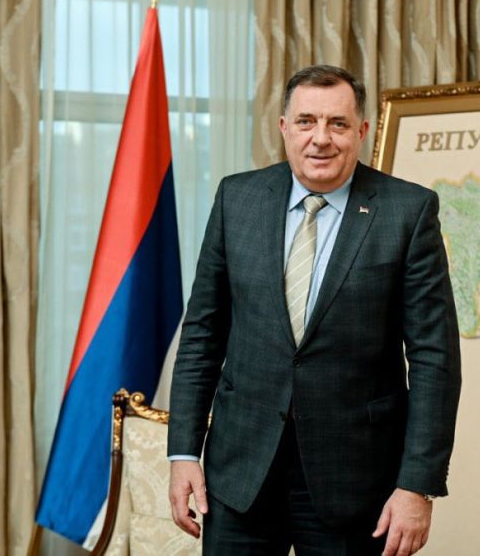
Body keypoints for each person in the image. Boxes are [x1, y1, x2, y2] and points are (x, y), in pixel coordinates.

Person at [168, 64, 461, 556]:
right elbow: (201, 334)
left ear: (361, 131)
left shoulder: (407, 212)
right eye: (306, 121)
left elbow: (436, 359)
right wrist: (182, 453)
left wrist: (417, 485)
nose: (320, 138)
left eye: (337, 124)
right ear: (284, 127)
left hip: (355, 482)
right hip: (239, 474)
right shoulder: (237, 199)